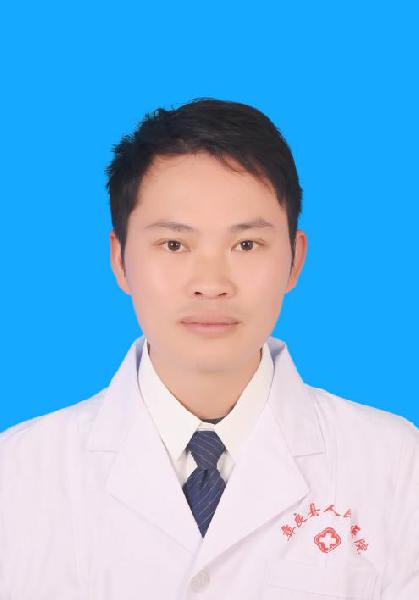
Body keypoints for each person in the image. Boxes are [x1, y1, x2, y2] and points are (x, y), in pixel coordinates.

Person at [0, 98, 417, 599]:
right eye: (174, 245)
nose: (212, 284)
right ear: (120, 259)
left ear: (294, 260)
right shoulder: (18, 473)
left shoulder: (395, 463)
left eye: (246, 245)